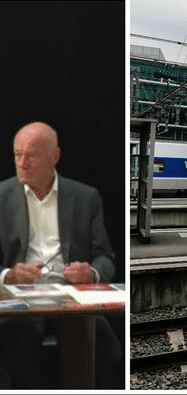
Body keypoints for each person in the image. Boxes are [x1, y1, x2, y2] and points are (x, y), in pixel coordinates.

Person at [0, 122, 121, 389]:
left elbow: (105, 256)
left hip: (72, 298)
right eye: (17, 154)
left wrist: (90, 273)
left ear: (54, 156)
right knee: (16, 345)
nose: (21, 163)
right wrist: (8, 274)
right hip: (23, 300)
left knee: (105, 346)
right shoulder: (1, 196)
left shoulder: (86, 197)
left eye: (30, 155)